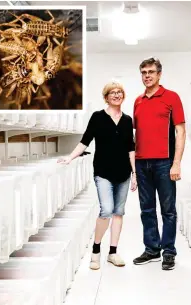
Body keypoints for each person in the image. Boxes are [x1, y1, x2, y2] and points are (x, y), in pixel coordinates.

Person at [57, 81, 137, 270]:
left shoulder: (127, 120)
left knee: (119, 212)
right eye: (113, 93)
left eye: (120, 92)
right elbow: (85, 141)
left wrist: (135, 173)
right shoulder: (98, 117)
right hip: (103, 172)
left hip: (124, 173)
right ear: (106, 97)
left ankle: (113, 253)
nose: (117, 95)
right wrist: (70, 157)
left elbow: (131, 148)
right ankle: (96, 249)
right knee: (106, 210)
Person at [133, 57, 186, 270]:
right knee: (146, 209)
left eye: (151, 72)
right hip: (141, 163)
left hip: (165, 162)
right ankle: (152, 249)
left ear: (159, 74)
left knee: (168, 210)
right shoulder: (138, 101)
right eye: (144, 72)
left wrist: (176, 163)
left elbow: (180, 132)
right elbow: (138, 134)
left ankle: (169, 252)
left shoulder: (172, 97)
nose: (147, 75)